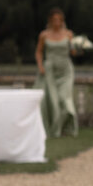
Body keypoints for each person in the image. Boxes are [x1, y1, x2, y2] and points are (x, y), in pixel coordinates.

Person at [36, 9, 78, 137]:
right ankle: (55, 130)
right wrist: (40, 65)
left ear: (62, 21)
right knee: (53, 101)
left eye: (59, 20)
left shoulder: (69, 34)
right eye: (54, 20)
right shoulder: (44, 35)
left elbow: (73, 53)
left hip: (66, 70)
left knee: (65, 99)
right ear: (50, 21)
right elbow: (38, 51)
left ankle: (68, 127)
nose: (57, 22)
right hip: (50, 70)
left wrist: (78, 47)